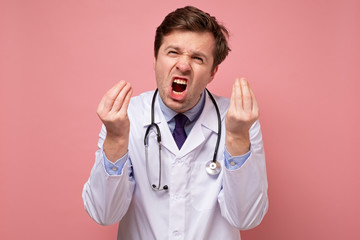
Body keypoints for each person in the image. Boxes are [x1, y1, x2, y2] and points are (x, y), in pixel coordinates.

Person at [82, 6, 268, 240]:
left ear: (213, 72)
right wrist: (116, 140)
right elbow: (104, 214)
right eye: (173, 52)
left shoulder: (239, 120)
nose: (183, 65)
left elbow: (246, 219)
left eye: (198, 58)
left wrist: (238, 138)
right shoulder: (125, 117)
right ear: (155, 58)